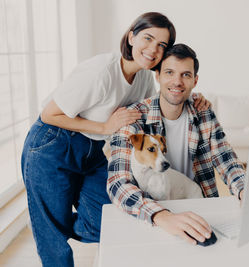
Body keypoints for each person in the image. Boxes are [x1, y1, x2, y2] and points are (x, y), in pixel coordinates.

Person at [21, 12, 210, 267]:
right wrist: (105, 126)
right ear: (131, 36)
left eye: (161, 45)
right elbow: (49, 114)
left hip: (92, 148)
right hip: (52, 143)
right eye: (148, 38)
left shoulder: (142, 75)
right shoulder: (101, 72)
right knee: (52, 238)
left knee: (110, 220)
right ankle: (51, 226)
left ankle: (54, 221)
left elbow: (156, 107)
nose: (153, 49)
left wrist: (192, 99)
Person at [107, 43, 245, 245]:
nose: (177, 81)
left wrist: (243, 189)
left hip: (199, 205)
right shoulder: (133, 117)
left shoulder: (203, 112)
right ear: (158, 76)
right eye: (169, 72)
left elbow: (226, 159)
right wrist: (161, 215)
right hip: (152, 213)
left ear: (195, 81)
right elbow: (118, 183)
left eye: (185, 75)